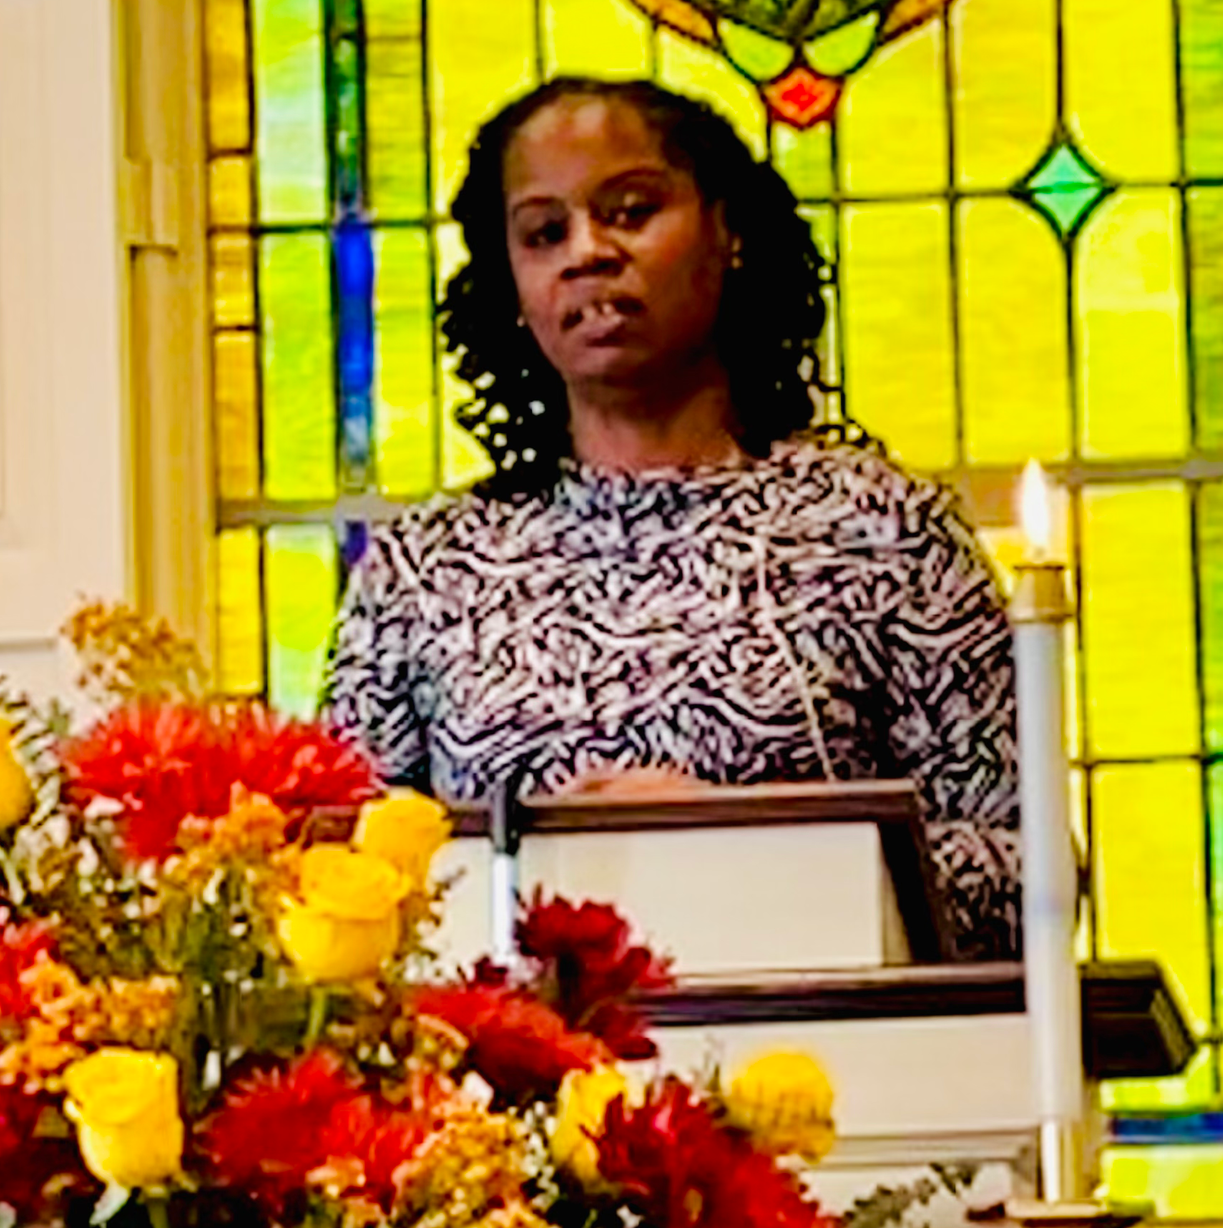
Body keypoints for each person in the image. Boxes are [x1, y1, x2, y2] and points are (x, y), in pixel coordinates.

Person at [323, 76, 1020, 961]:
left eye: (630, 210)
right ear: (512, 283)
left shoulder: (883, 529)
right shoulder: (425, 571)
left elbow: (1021, 872)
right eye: (544, 233)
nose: (587, 252)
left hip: (836, 1073)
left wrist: (747, 846)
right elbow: (340, 895)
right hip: (515, 1081)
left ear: (726, 233)